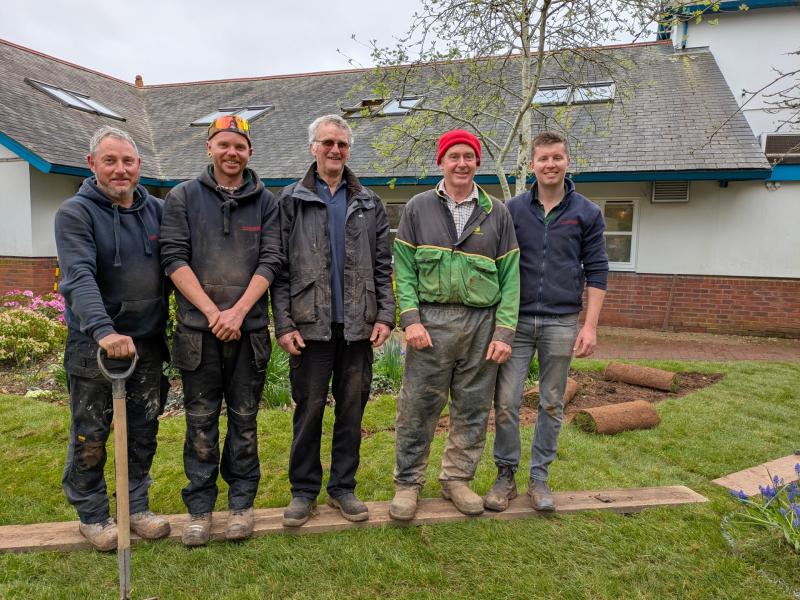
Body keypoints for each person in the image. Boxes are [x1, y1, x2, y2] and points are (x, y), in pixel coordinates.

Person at [160, 115, 283, 545]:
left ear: (250, 152)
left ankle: (241, 505)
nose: (232, 153)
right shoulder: (182, 197)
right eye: (224, 145)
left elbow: (272, 259)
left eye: (240, 147)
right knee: (200, 422)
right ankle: (199, 509)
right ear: (209, 148)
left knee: (245, 422)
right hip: (198, 332)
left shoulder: (267, 202)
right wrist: (214, 313)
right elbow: (174, 258)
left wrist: (238, 313)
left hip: (249, 333)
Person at [389, 129, 520, 521]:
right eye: (453, 156)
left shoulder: (497, 212)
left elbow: (511, 276)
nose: (461, 163)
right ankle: (408, 484)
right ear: (441, 162)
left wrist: (504, 331)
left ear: (477, 162)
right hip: (430, 324)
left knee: (473, 407)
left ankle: (457, 480)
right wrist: (410, 320)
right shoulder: (418, 208)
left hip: (482, 325)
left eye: (468, 157)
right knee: (417, 406)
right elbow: (404, 270)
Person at [271, 114, 395, 527]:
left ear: (348, 149)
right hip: (310, 325)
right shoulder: (290, 201)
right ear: (313, 148)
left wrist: (386, 315)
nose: (335, 150)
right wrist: (284, 324)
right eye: (327, 143)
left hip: (358, 326)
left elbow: (383, 266)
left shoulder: (369, 203)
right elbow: (279, 270)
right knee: (308, 411)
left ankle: (343, 487)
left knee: (352, 411)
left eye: (342, 144)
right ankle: (303, 491)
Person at [56, 126, 170, 551]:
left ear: (139, 165)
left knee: (143, 430)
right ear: (92, 164)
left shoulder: (158, 211)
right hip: (95, 346)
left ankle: (135, 507)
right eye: (110, 161)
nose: (120, 169)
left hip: (147, 343)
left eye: (128, 161)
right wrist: (105, 330)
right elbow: (78, 277)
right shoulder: (76, 213)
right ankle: (92, 515)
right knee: (91, 434)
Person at [485, 131, 609, 513]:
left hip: (562, 321)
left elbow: (598, 270)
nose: (550, 164)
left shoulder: (587, 213)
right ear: (532, 164)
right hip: (517, 321)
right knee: (506, 402)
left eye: (557, 157)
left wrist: (589, 326)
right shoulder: (512, 210)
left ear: (567, 161)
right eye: (543, 158)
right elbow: (497, 265)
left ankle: (539, 478)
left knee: (552, 403)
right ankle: (505, 475)